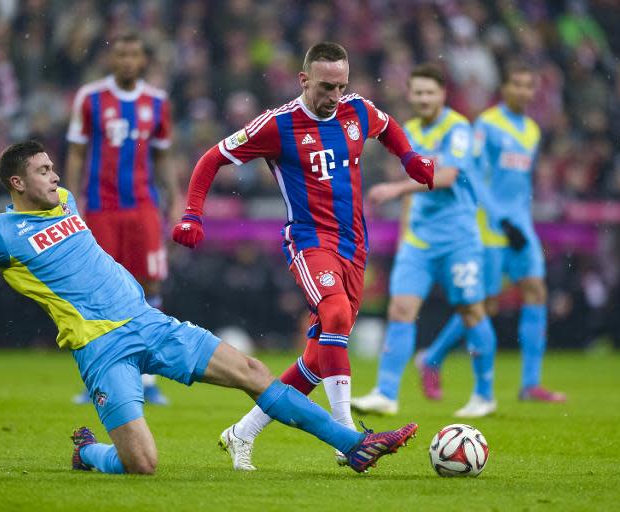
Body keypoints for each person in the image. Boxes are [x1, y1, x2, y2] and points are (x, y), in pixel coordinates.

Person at [0, 140, 419, 475]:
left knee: (250, 370)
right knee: (143, 464)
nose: (54, 175)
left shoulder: (65, 200)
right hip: (101, 348)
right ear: (17, 183)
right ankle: (88, 453)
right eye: (42, 170)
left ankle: (352, 444)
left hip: (152, 325)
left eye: (52, 167)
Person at [171, 42, 434, 470]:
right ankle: (348, 438)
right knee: (333, 317)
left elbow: (387, 127)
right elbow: (210, 158)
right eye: (327, 86)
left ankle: (243, 432)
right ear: (304, 79)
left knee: (317, 358)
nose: (334, 96)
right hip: (310, 242)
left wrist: (409, 158)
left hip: (355, 246)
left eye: (341, 86)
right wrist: (191, 214)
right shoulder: (277, 125)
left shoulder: (357, 111)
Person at [350, 63, 498, 419]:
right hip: (418, 240)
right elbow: (412, 197)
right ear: (410, 95)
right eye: (417, 92)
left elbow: (446, 176)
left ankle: (484, 394)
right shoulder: (408, 131)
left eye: (430, 92)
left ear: (442, 94)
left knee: (471, 310)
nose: (423, 98)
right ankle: (385, 393)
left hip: (458, 238)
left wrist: (396, 188)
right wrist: (404, 238)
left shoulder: (458, 128)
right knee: (400, 310)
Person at [418, 60, 566, 403]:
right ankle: (431, 358)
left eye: (529, 86)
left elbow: (519, 182)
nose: (524, 92)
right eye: (517, 85)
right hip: (490, 225)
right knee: (482, 305)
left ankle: (530, 384)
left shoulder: (531, 129)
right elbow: (471, 172)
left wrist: (521, 219)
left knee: (536, 292)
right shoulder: (487, 125)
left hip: (520, 224)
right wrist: (500, 218)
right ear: (505, 88)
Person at [65, 32, 179, 405]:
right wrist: (67, 200)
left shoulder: (157, 103)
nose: (127, 61)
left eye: (134, 54)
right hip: (100, 207)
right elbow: (78, 153)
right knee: (99, 292)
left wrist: (176, 199)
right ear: (111, 60)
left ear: (144, 60)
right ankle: (97, 377)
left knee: (149, 287)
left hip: (144, 205)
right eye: (121, 54)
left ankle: (147, 379)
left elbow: (163, 156)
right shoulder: (91, 98)